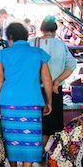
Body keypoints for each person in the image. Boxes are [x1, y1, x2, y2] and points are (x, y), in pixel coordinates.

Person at [0, 22, 53, 167]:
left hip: (9, 104)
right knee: (30, 141)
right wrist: (49, 102)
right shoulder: (38, 53)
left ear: (10, 38)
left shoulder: (3, 54)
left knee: (12, 141)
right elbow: (47, 80)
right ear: (26, 37)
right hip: (32, 104)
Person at [29, 15, 77, 150]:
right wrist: (57, 81)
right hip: (55, 90)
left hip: (35, 89)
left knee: (36, 122)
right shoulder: (61, 45)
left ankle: (36, 151)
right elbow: (71, 66)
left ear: (41, 29)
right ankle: (45, 151)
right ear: (55, 30)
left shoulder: (32, 43)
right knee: (51, 123)